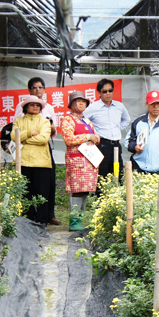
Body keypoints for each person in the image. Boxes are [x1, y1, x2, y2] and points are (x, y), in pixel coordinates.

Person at [14, 77, 60, 225]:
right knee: (26, 190)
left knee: (44, 189)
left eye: (40, 87)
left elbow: (43, 138)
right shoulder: (19, 119)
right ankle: (27, 219)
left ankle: (44, 218)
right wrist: (28, 134)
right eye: (34, 87)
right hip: (24, 158)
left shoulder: (46, 116)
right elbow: (14, 136)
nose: (37, 90)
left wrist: (24, 137)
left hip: (42, 157)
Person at [60, 91, 100, 231]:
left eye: (83, 101)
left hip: (89, 160)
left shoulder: (87, 120)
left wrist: (94, 138)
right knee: (76, 190)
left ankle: (80, 218)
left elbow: (96, 136)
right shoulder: (67, 119)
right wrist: (87, 137)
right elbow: (69, 139)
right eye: (77, 101)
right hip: (76, 161)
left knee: (85, 190)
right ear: (71, 104)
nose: (81, 103)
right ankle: (74, 220)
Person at [84, 79, 131, 190]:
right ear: (99, 93)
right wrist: (93, 134)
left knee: (117, 173)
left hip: (116, 144)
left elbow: (126, 119)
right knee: (102, 176)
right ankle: (100, 202)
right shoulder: (93, 107)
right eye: (104, 91)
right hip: (101, 145)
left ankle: (115, 201)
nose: (108, 93)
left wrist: (117, 128)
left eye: (110, 90)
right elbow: (83, 122)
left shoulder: (119, 106)